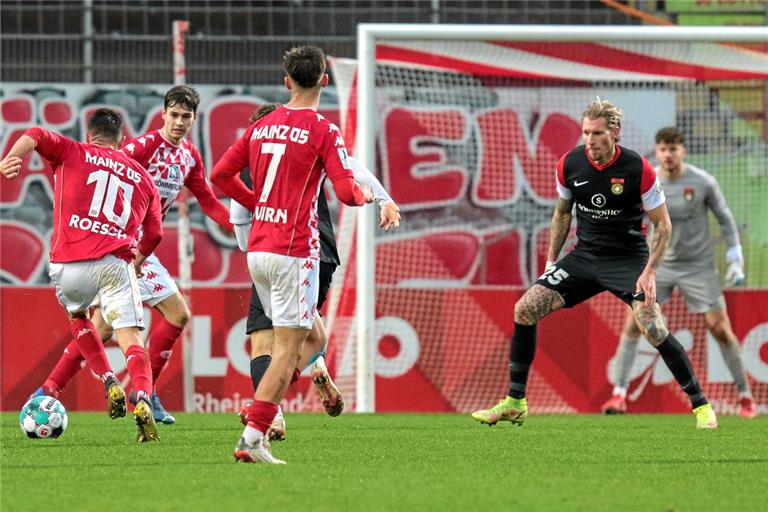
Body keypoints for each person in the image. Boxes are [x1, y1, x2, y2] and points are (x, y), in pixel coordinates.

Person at [471, 98, 718, 430]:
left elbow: (663, 225)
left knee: (653, 328)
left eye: (596, 133)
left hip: (628, 261)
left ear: (614, 132)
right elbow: (562, 213)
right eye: (585, 132)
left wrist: (650, 271)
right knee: (524, 309)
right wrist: (550, 262)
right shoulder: (569, 164)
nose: (589, 140)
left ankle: (701, 407)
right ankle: (515, 402)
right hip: (584, 258)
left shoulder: (637, 168)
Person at [29, 85, 233, 425]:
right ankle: (142, 394)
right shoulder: (144, 147)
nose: (179, 122)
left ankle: (51, 389)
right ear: (163, 114)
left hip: (141, 251)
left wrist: (239, 224)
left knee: (106, 327)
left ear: (194, 118)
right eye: (174, 114)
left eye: (186, 116)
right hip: (123, 247)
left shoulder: (189, 157)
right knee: (153, 318)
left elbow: (208, 200)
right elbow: (106, 173)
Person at [211, 45, 372, 464]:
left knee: (313, 339)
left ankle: (265, 403)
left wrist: (258, 202)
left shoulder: (260, 127)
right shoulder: (324, 129)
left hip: (258, 251)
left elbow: (219, 175)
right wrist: (365, 194)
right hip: (294, 252)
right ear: (324, 79)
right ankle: (253, 437)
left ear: (286, 82)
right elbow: (344, 191)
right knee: (286, 349)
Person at [232, 103, 401, 441]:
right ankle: (315, 368)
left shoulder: (258, 153)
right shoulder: (310, 142)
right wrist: (384, 199)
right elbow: (352, 170)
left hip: (281, 250)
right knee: (310, 334)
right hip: (321, 254)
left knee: (267, 343)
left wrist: (247, 246)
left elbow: (238, 214)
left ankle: (269, 413)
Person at [0, 108, 164, 442]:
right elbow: (156, 232)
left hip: (69, 264)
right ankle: (143, 399)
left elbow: (36, 133)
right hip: (116, 264)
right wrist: (139, 260)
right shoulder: (142, 177)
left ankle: (107, 379)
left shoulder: (73, 151)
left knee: (79, 318)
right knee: (130, 336)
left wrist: (11, 158)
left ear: (89, 135)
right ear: (122, 140)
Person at [602, 126, 756, 417]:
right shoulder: (648, 181)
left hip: (698, 266)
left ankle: (745, 397)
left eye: (674, 148)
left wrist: (736, 257)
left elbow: (725, 219)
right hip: (657, 266)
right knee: (636, 323)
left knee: (720, 328)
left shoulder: (703, 182)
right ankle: (618, 396)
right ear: (657, 152)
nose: (668, 154)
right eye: (663, 149)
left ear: (683, 151)